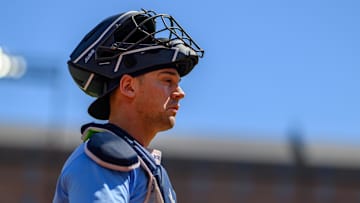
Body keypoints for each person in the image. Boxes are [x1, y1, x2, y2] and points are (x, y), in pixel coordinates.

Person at [53, 9, 204, 203]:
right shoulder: (105, 158)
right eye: (167, 80)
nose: (180, 92)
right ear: (128, 86)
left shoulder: (137, 161)